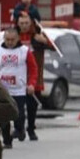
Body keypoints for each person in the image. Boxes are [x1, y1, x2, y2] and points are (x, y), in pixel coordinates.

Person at [0, 26, 38, 150]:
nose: (9, 42)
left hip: (19, 89)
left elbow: (33, 69)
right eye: (7, 39)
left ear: (18, 38)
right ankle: (7, 141)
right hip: (3, 89)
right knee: (4, 116)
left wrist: (32, 84)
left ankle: (20, 130)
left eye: (12, 40)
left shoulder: (24, 51)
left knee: (18, 115)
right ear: (4, 38)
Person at [13, 13, 51, 141]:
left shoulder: (37, 35)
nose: (24, 26)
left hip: (35, 76)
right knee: (18, 106)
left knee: (32, 106)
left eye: (26, 23)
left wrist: (44, 40)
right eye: (21, 23)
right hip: (18, 77)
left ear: (31, 23)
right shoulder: (13, 37)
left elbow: (54, 46)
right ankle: (19, 129)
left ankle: (31, 129)